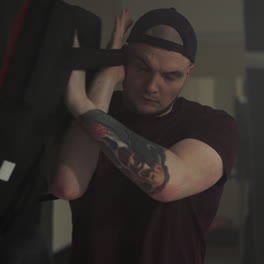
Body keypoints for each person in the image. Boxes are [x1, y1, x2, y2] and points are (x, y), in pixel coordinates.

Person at [49, 8, 240, 264]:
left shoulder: (213, 125)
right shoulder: (95, 107)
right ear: (125, 58)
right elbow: (68, 186)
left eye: (170, 76)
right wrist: (106, 78)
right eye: (142, 67)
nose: (152, 86)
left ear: (188, 73)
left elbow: (165, 184)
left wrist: (80, 104)